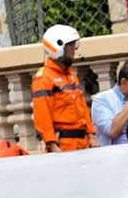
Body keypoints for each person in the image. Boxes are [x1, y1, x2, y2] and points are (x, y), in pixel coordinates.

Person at [31, 24, 94, 152]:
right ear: (58, 47)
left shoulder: (70, 75)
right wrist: (52, 145)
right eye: (71, 45)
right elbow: (42, 116)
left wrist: (91, 136)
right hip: (63, 146)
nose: (74, 50)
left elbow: (82, 108)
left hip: (82, 144)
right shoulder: (44, 78)